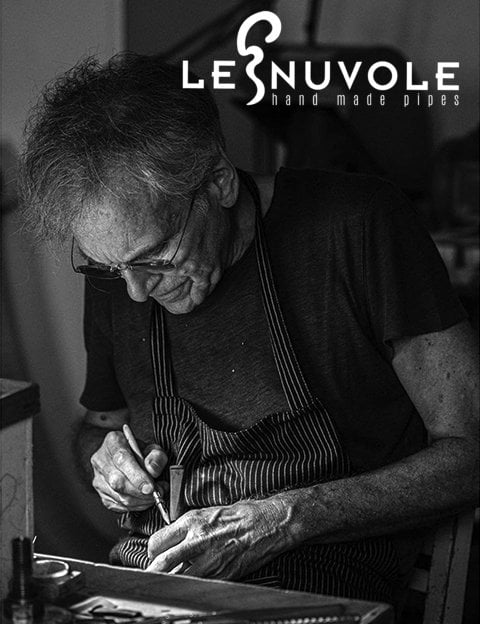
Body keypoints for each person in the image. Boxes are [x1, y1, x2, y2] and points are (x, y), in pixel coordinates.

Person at [20, 53, 478, 606]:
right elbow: (98, 428)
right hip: (153, 582)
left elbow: (469, 453)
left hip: (318, 589)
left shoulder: (357, 226)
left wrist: (288, 516)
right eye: (111, 269)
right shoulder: (122, 274)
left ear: (218, 181)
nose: (136, 292)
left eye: (157, 258)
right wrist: (106, 463)